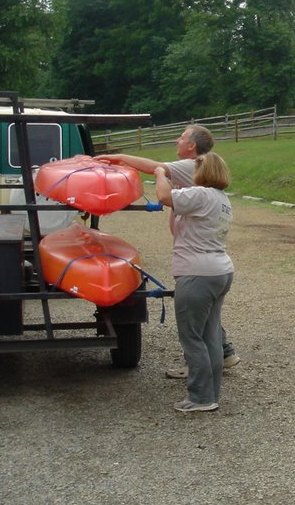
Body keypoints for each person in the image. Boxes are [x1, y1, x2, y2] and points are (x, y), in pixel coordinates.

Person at [99, 124, 240, 377]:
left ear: (192, 146)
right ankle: (220, 357)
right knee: (205, 314)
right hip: (207, 261)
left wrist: (119, 158)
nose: (177, 140)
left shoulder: (191, 165)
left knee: (196, 321)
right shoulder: (199, 175)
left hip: (197, 263)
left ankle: (207, 372)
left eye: (182, 137)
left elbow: (152, 167)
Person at [154, 152, 234, 413]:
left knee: (192, 337)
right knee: (209, 335)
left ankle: (199, 397)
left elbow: (164, 197)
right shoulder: (221, 199)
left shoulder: (201, 195)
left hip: (196, 273)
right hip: (218, 271)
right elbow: (176, 226)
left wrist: (159, 173)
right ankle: (210, 395)